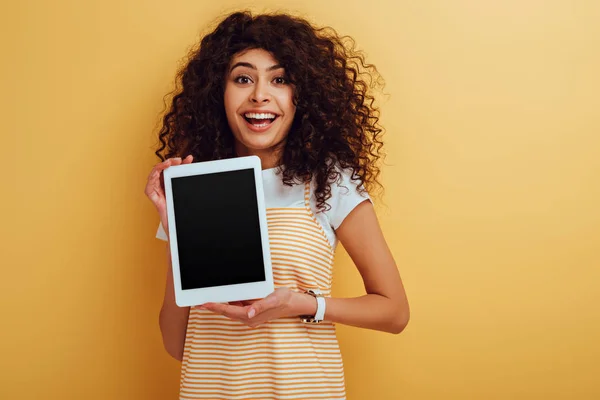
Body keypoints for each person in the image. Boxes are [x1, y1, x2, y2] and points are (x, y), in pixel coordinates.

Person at [144, 10, 410, 400]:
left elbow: (394, 312)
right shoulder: (195, 188)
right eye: (243, 78)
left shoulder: (328, 181)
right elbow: (176, 344)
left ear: (303, 96)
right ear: (219, 93)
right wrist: (178, 231)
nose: (259, 95)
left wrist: (301, 304)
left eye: (280, 79)